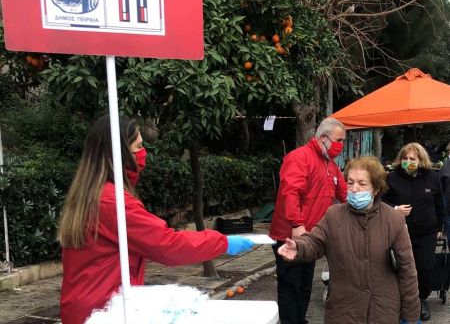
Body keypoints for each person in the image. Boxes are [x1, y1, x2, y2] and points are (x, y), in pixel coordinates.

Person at [57, 115, 254, 324]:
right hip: (104, 310)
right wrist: (222, 242)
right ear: (120, 154)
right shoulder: (113, 201)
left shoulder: (90, 192)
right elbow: (166, 244)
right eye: (138, 146)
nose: (144, 153)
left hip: (86, 304)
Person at [278, 156, 420, 324]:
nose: (354, 189)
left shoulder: (394, 219)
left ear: (376, 189)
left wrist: (410, 314)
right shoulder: (334, 215)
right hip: (343, 311)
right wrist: (299, 247)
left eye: (362, 183)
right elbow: (315, 241)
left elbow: (407, 268)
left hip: (382, 311)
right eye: (350, 182)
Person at [269, 117, 347, 324]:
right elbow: (291, 192)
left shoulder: (330, 164)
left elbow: (344, 193)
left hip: (312, 236)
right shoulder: (299, 157)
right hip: (290, 234)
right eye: (339, 140)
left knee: (305, 284)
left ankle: (300, 320)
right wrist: (296, 224)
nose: (341, 145)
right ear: (323, 138)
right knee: (290, 284)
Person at [382, 142, 445, 322]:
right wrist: (395, 209)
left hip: (427, 232)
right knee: (400, 267)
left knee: (425, 266)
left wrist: (440, 228)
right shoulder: (392, 178)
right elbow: (381, 201)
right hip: (400, 231)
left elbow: (439, 204)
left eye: (412, 159)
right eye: (405, 158)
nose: (408, 162)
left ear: (420, 160)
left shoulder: (432, 177)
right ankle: (402, 301)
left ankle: (421, 299)